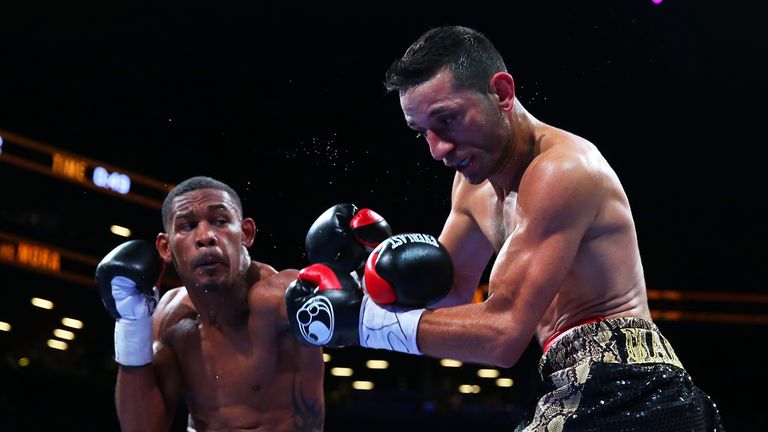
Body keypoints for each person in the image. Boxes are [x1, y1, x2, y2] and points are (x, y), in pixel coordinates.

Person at [286, 26, 724, 430]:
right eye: (422, 133)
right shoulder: (472, 186)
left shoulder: (562, 170)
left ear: (501, 92)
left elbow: (502, 334)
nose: (437, 149)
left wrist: (359, 322)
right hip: (576, 386)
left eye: (447, 120)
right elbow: (446, 294)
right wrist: (368, 273)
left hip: (635, 388)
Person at [96, 176, 324, 432]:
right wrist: (131, 326)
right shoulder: (170, 318)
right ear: (165, 247)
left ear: (246, 233)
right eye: (188, 225)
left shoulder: (281, 296)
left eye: (220, 221)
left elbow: (347, 318)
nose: (205, 236)